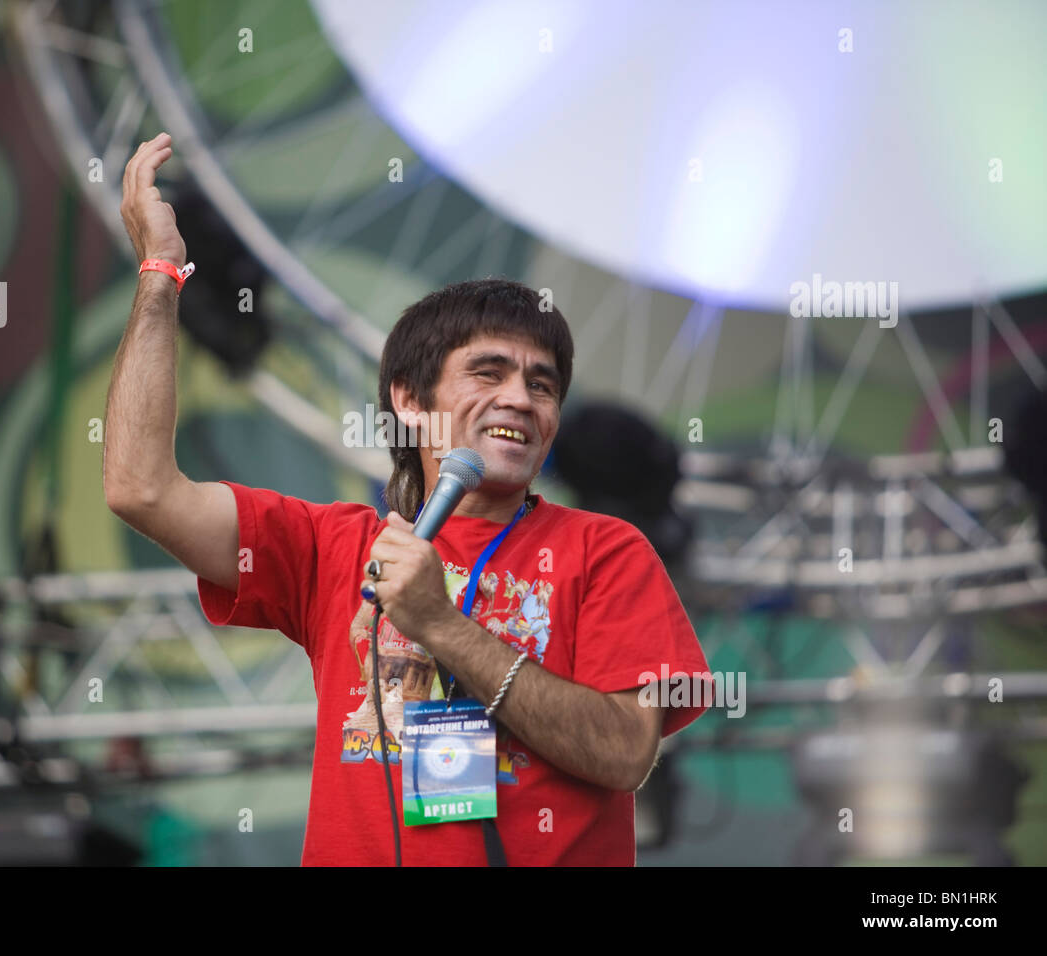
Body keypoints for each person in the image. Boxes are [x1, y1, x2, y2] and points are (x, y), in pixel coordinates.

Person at [106, 133, 712, 865]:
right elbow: (139, 487)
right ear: (410, 400)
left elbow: (624, 754)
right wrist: (161, 273)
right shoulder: (333, 548)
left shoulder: (607, 551)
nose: (520, 399)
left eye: (542, 384)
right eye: (488, 373)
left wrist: (440, 624)